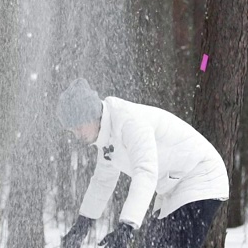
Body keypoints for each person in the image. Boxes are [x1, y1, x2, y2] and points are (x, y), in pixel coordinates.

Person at [57, 78, 229, 248]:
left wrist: (126, 227)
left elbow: (145, 172)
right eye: (72, 131)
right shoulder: (107, 137)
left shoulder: (129, 122)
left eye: (79, 128)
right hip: (174, 189)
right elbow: (102, 181)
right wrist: (82, 225)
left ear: (91, 115)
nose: (77, 135)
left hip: (200, 177)